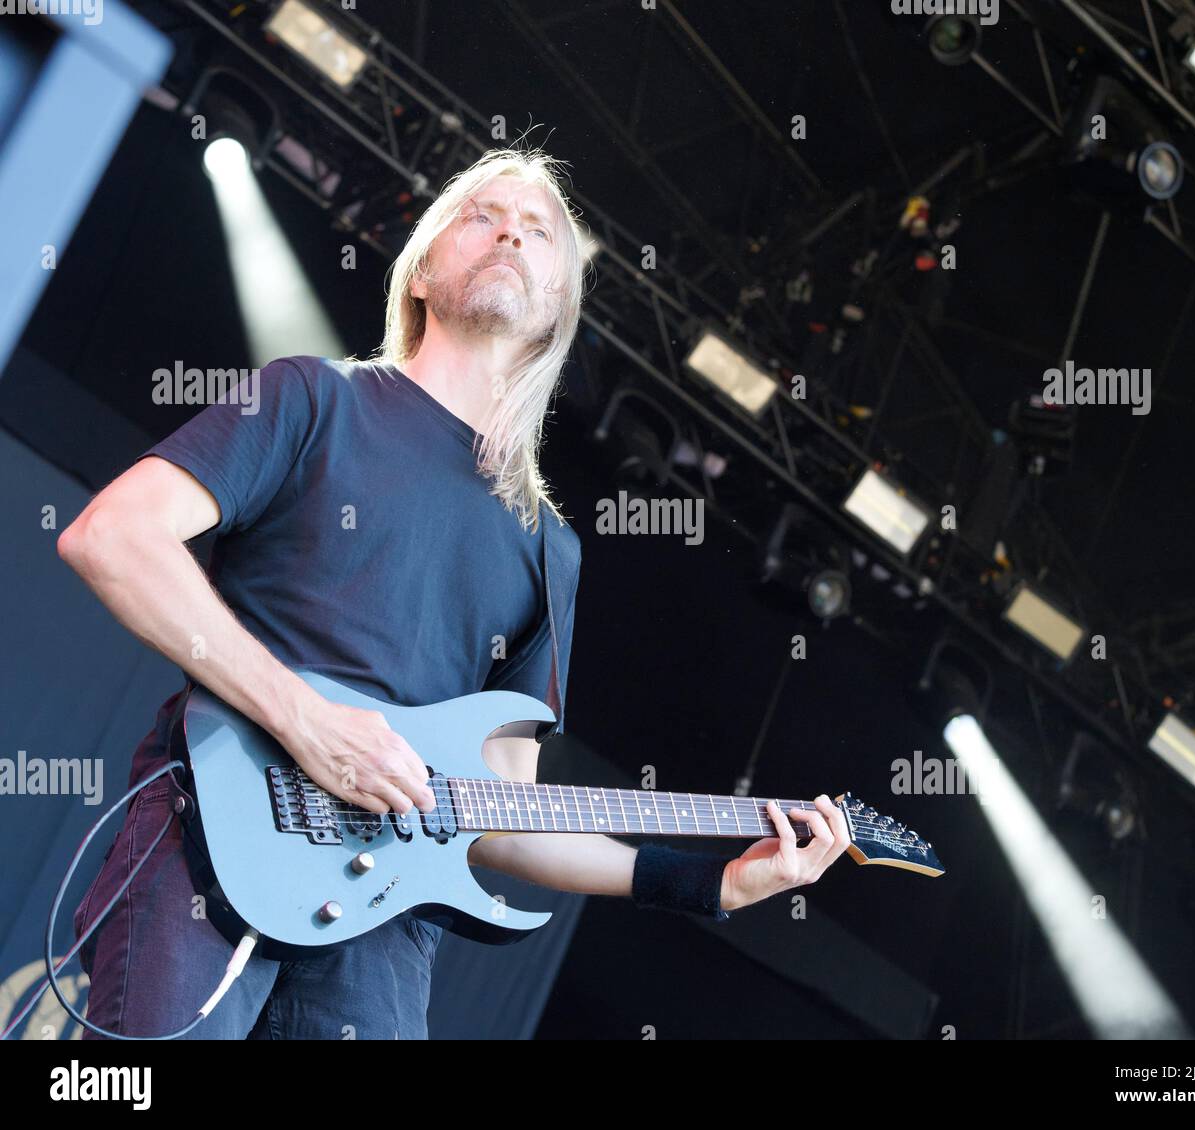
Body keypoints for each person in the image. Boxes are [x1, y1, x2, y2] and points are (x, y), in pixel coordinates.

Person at [57, 146, 851, 1040]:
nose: (511, 228)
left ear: (557, 305)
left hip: (387, 916)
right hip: (210, 841)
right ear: (424, 271)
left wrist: (712, 882)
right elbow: (114, 537)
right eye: (481, 213)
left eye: (540, 229)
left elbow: (506, 809)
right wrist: (307, 722)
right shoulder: (316, 399)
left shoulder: (549, 548)